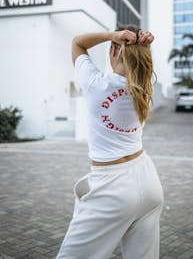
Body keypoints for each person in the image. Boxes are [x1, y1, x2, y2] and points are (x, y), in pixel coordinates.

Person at [56, 25, 164, 259]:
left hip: (112, 188)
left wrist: (109, 36)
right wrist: (143, 48)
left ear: (113, 51)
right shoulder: (144, 87)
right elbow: (142, 65)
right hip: (148, 180)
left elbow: (77, 41)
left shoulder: (97, 84)